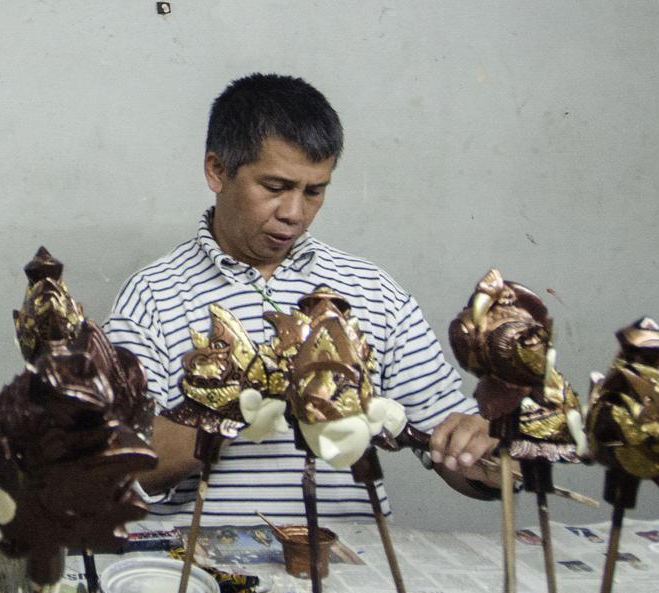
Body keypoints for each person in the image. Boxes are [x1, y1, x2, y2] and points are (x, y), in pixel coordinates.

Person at [103, 73, 499, 527]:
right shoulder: (153, 295)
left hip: (350, 564)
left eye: (315, 191)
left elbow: (463, 454)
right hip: (207, 572)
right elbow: (124, 465)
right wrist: (253, 396)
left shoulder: (371, 290)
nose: (294, 213)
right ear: (217, 170)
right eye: (274, 187)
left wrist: (485, 455)